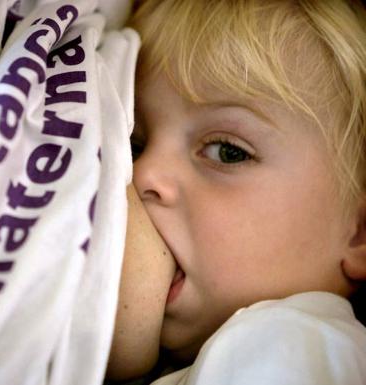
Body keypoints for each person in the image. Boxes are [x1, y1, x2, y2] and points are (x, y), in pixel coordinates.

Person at [106, 0, 366, 384]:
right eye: (135, 146)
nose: (141, 174)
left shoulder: (289, 343)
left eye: (227, 151)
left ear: (359, 232)